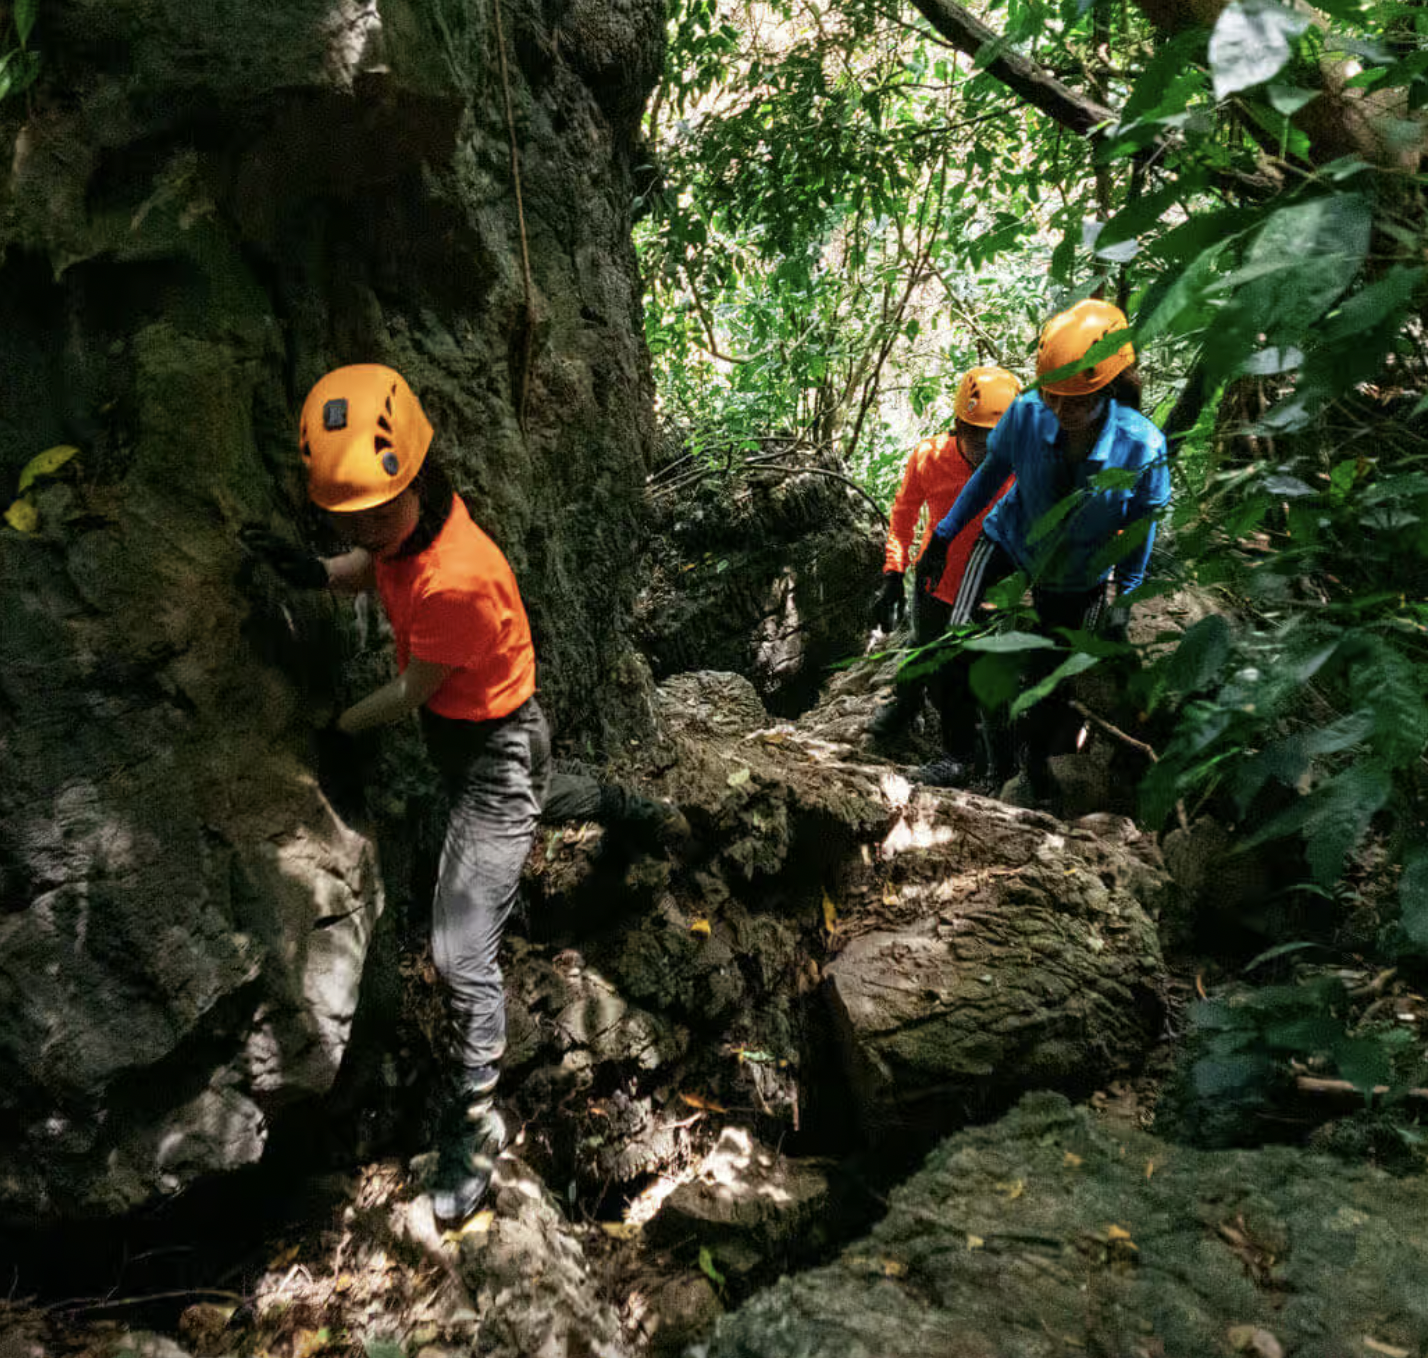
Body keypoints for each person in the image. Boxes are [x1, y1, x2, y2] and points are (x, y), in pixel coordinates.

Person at [242, 364, 688, 1222]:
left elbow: (407, 693)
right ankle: (640, 814)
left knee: (459, 951)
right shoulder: (417, 524)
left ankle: (476, 1128)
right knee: (542, 794)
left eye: (369, 509)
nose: (361, 525)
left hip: (489, 749)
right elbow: (375, 565)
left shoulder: (456, 576)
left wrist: (333, 727)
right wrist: (311, 571)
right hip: (495, 738)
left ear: (408, 479)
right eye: (348, 514)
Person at [913, 299, 1170, 798]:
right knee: (959, 646)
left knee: (1050, 680)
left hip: (1078, 573)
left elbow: (1142, 523)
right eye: (1052, 395)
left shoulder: (1142, 448)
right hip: (1007, 540)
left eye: (1075, 400)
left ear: (1109, 389)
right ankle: (959, 756)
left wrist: (1127, 594)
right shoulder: (1028, 415)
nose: (1059, 409)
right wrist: (944, 535)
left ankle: (1028, 772)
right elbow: (991, 473)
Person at [867, 365, 1019, 751]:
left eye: (998, 438)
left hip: (995, 585)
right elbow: (903, 516)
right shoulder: (928, 458)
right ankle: (907, 704)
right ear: (959, 425)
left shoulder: (1021, 469)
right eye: (979, 436)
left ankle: (984, 745)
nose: (989, 448)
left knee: (973, 666)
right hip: (937, 580)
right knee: (926, 647)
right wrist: (892, 573)